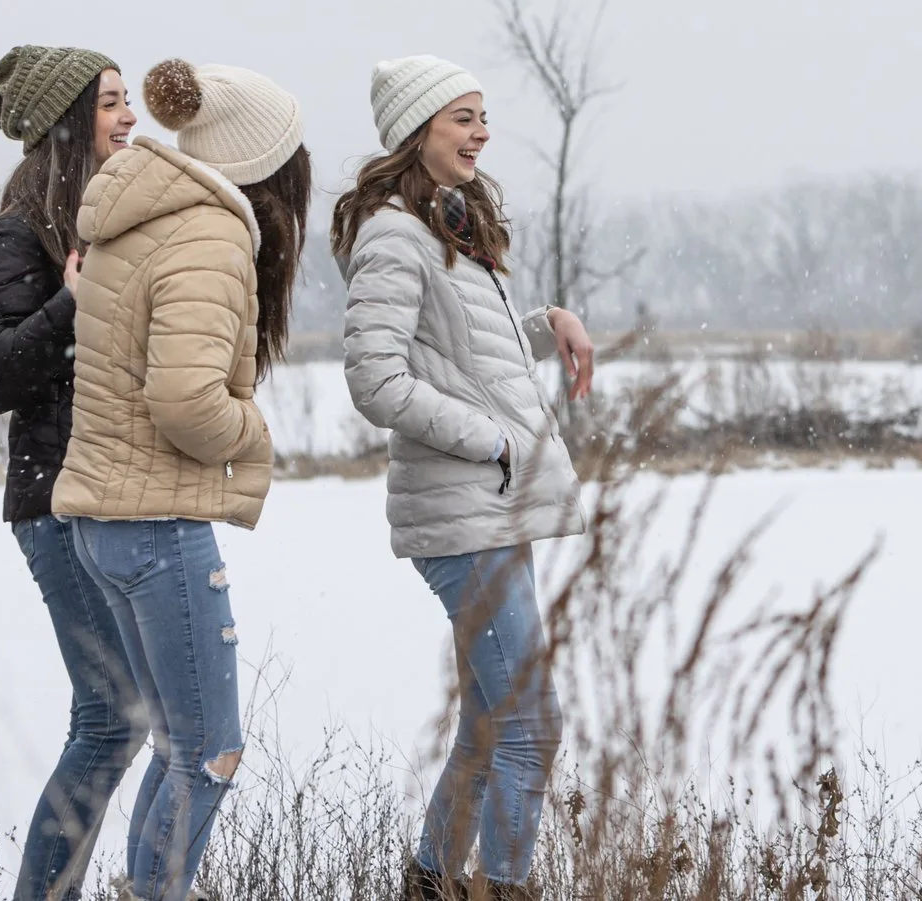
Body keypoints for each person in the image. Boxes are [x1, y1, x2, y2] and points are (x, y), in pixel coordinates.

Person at [333, 55, 596, 900]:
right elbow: (375, 380)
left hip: (491, 507)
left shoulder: (448, 226)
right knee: (531, 725)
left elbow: (455, 354)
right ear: (419, 131)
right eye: (463, 117)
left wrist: (545, 322)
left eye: (483, 116)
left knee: (490, 723)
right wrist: (491, 440)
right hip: (463, 513)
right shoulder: (393, 233)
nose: (482, 132)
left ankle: (429, 881)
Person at [51, 58, 309, 901]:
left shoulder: (145, 212)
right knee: (211, 748)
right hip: (155, 522)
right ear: (265, 161)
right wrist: (254, 432)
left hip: (109, 518)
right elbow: (185, 396)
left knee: (175, 742)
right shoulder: (211, 231)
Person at [0, 45, 146, 901]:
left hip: (108, 493)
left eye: (128, 97)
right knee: (112, 717)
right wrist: (70, 303)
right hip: (55, 500)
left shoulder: (102, 218)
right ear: (70, 120)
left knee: (123, 718)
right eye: (111, 102)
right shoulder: (20, 231)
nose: (130, 115)